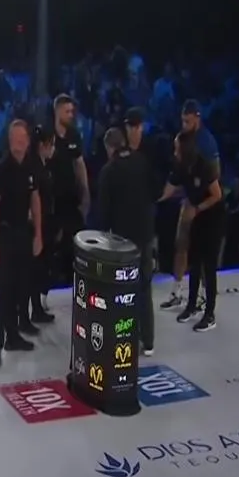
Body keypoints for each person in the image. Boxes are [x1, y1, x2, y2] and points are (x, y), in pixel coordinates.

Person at [96, 119, 157, 355]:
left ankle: (124, 338)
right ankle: (148, 341)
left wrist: (102, 239)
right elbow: (154, 192)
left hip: (123, 242)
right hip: (145, 234)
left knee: (122, 291)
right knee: (144, 288)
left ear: (109, 147)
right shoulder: (142, 160)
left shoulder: (109, 170)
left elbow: (103, 212)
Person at [0, 119, 44, 366]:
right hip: (5, 235)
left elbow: (35, 200)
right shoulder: (1, 170)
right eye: (14, 138)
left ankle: (13, 336)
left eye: (22, 138)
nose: (18, 142)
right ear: (9, 141)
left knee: (20, 288)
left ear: (28, 141)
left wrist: (38, 234)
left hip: (24, 233)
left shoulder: (31, 165)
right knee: (3, 291)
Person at [160, 100, 219, 309]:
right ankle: (176, 291)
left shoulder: (207, 143)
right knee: (181, 244)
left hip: (206, 203)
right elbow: (175, 178)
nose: (184, 125)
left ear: (197, 118)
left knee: (200, 252)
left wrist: (199, 207)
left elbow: (215, 184)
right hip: (190, 199)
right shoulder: (182, 140)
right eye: (182, 121)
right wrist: (156, 197)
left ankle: (202, 294)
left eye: (188, 121)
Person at [175, 134, 225, 331]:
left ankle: (209, 314)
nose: (175, 152)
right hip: (197, 217)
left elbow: (217, 195)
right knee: (194, 262)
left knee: (208, 266)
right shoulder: (183, 168)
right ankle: (191, 305)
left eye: (177, 148)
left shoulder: (204, 166)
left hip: (212, 218)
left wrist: (196, 209)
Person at [50, 94, 92, 292]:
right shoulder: (47, 135)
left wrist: (86, 193)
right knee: (54, 247)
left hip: (71, 199)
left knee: (76, 245)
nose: (70, 115)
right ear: (57, 111)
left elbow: (79, 164)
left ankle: (75, 289)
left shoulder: (74, 134)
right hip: (52, 201)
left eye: (72, 112)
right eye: (67, 111)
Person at [23, 125, 58, 325]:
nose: (53, 149)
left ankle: (37, 308)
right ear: (43, 145)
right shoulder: (34, 167)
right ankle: (33, 310)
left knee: (40, 268)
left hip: (45, 222)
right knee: (34, 269)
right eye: (51, 144)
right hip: (36, 224)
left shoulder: (42, 166)